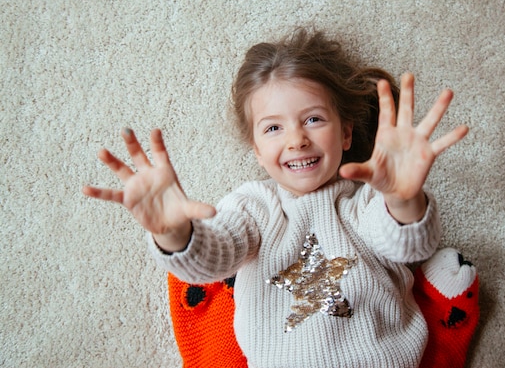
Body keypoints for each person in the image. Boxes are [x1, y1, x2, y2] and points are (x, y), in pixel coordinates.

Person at [83, 29, 471, 368]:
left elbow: (409, 244)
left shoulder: (366, 202)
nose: (296, 139)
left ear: (347, 133)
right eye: (273, 128)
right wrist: (175, 234)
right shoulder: (253, 206)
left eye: (314, 119)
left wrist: (404, 198)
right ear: (255, 150)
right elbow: (214, 256)